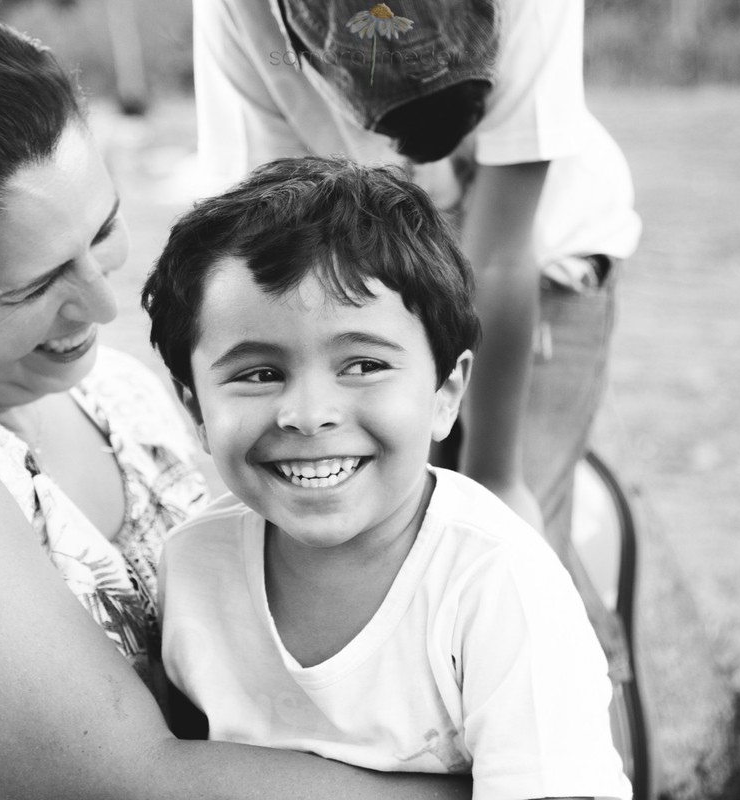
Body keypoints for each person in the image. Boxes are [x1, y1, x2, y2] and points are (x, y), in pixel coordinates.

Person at [0, 4, 469, 799]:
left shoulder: (119, 396)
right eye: (34, 287)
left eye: (101, 232)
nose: (102, 308)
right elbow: (119, 781)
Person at [143, 156, 632, 800]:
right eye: (259, 373)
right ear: (195, 410)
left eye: (364, 365)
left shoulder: (496, 584)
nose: (310, 415)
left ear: (446, 392)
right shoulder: (192, 564)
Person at [191, 0, 641, 676]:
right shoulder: (239, 12)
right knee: (376, 565)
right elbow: (266, 243)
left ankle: (595, 723)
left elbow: (498, 258)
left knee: (516, 566)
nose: (401, 153)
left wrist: (496, 475)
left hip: (537, 260)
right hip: (348, 281)